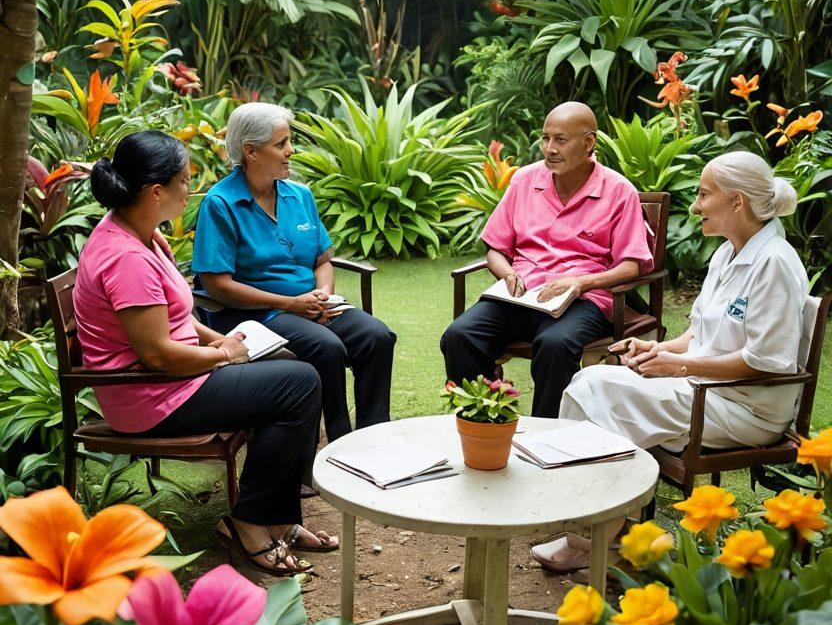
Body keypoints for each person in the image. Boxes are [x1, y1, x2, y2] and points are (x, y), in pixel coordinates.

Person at [74, 129, 338, 577]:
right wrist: (226, 355)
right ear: (156, 192)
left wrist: (215, 339)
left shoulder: (143, 233)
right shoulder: (126, 258)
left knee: (292, 371)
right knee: (298, 384)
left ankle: (279, 518)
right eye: (184, 181)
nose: (190, 190)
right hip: (150, 397)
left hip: (173, 380)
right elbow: (158, 354)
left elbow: (175, 317)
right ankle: (248, 523)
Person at [533, 149, 809, 573]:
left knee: (600, 395)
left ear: (737, 201)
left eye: (703, 195)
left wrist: (681, 368)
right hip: (705, 388)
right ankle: (602, 529)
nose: (695, 205)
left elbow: (766, 362)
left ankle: (598, 535)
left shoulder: (773, 262)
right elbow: (701, 333)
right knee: (590, 382)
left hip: (745, 405)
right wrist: (659, 350)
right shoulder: (728, 252)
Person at [191, 102, 396, 441]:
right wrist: (290, 304)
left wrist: (323, 295)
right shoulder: (221, 204)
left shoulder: (299, 195)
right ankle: (339, 444)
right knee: (326, 348)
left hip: (310, 306)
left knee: (376, 336)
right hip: (256, 314)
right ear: (250, 151)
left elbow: (322, 259)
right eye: (281, 144)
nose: (291, 151)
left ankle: (374, 439)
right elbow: (216, 285)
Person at [441, 102, 654, 417]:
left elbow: (631, 265)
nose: (549, 149)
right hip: (522, 294)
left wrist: (579, 283)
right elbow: (496, 248)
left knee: (554, 344)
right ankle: (485, 422)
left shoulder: (618, 191)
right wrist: (507, 273)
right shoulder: (525, 180)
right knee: (459, 336)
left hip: (584, 299)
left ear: (589, 143)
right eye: (545, 138)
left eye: (561, 140)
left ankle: (546, 435)